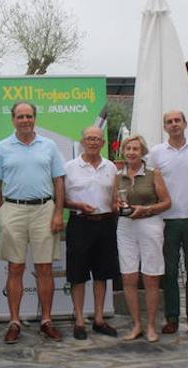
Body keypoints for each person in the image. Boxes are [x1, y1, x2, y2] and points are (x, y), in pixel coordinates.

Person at [0, 101, 66, 344]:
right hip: (13, 209)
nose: (25, 120)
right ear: (13, 120)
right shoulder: (2, 147)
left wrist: (58, 213)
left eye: (29, 116)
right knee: (15, 269)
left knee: (44, 269)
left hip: (45, 209)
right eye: (20, 116)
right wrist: (2, 212)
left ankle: (46, 320)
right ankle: (14, 321)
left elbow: (59, 181)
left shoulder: (49, 146)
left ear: (35, 118)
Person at [148, 111, 188, 335]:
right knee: (170, 272)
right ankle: (172, 317)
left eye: (177, 121)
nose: (174, 125)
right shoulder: (155, 153)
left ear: (185, 124)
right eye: (169, 122)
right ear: (165, 127)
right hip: (167, 220)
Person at [64, 126, 119, 340]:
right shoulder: (69, 168)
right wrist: (76, 204)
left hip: (105, 224)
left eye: (97, 139)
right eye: (89, 138)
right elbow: (62, 200)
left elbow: (115, 197)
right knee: (78, 274)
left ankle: (98, 319)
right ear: (82, 142)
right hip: (80, 223)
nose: (93, 142)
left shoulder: (111, 167)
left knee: (102, 273)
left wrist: (118, 204)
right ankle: (79, 320)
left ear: (103, 143)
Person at [115, 135, 171, 343]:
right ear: (123, 151)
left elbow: (166, 203)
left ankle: (150, 326)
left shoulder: (153, 174)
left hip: (149, 225)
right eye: (128, 148)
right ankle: (136, 324)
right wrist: (117, 207)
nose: (131, 152)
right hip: (125, 227)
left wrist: (145, 209)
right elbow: (114, 203)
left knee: (151, 277)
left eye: (135, 149)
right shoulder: (117, 176)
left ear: (142, 152)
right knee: (128, 277)